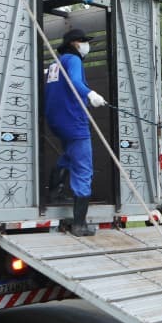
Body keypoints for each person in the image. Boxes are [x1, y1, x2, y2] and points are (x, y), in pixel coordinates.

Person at [44, 28, 106, 237]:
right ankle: (79, 224)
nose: (86, 45)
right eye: (83, 41)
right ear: (74, 43)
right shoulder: (73, 60)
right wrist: (91, 94)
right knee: (83, 168)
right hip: (74, 122)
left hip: (57, 122)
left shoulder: (54, 65)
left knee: (69, 155)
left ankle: (55, 193)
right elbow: (75, 82)